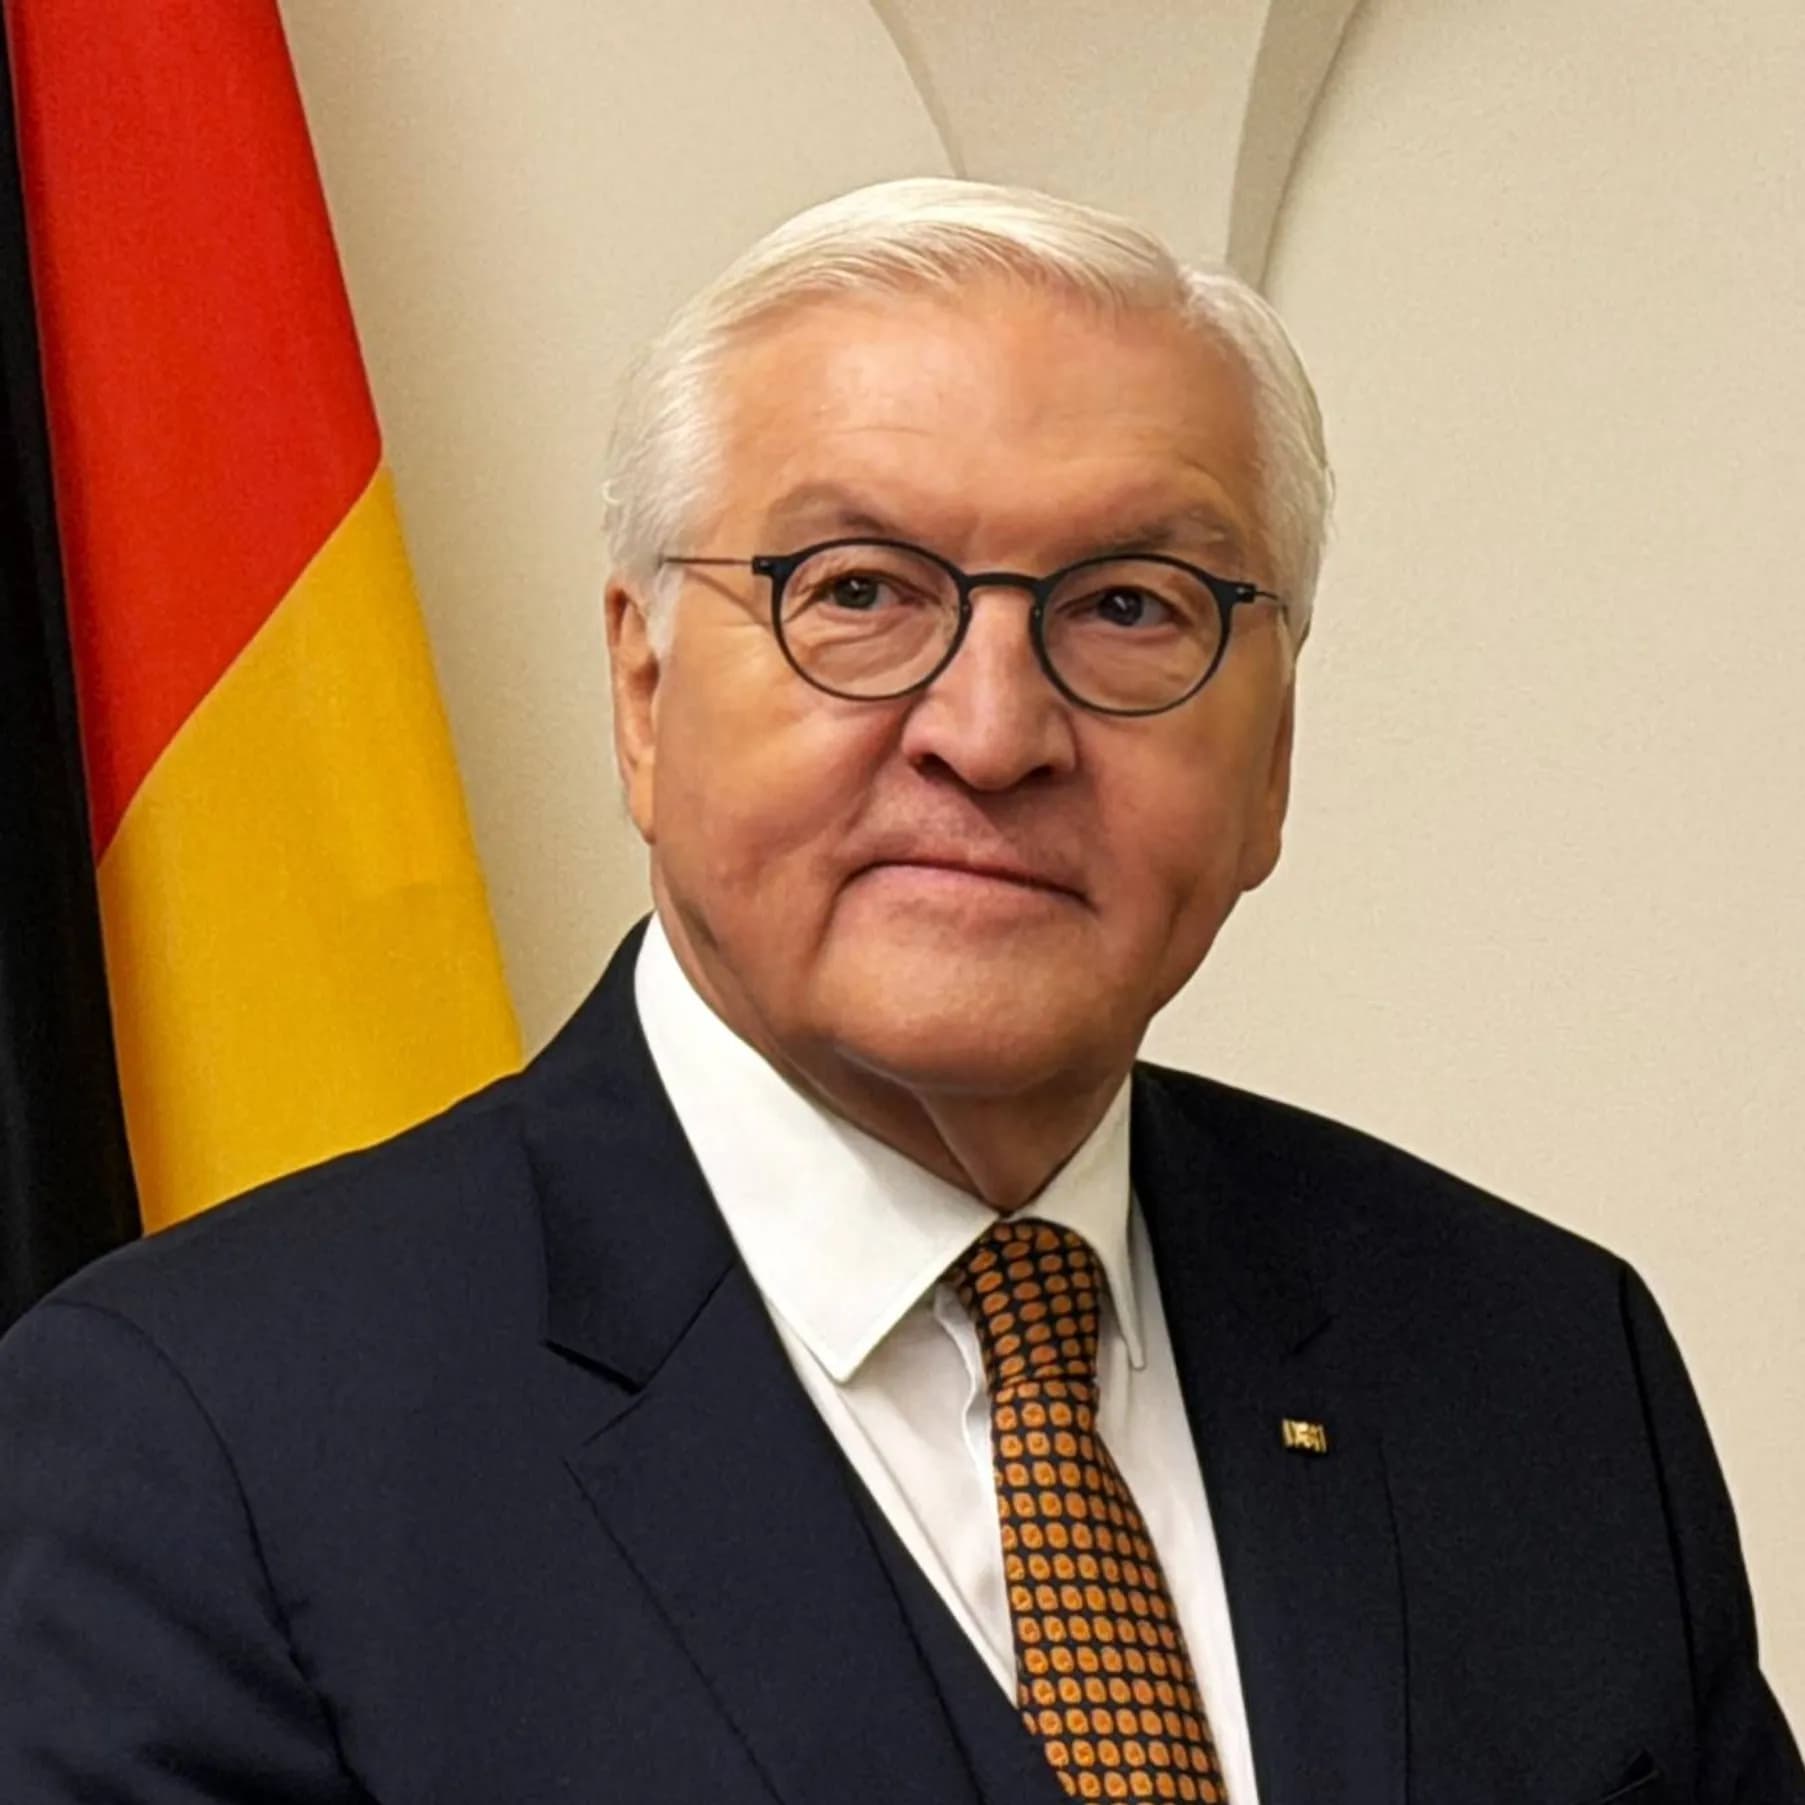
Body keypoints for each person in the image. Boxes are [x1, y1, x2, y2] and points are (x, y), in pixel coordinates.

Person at [0, 177, 1796, 1805]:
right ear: (643, 693)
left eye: (1130, 606)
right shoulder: (201, 1439)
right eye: (855, 589)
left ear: (1271, 757)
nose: (993, 732)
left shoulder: (1542, 1363)